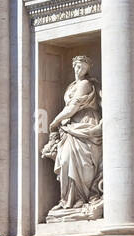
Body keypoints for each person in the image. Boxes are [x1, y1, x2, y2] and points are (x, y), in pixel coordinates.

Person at [42, 56, 103, 213]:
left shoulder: (85, 84)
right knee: (66, 160)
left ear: (87, 69)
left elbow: (72, 108)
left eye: (83, 67)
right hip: (71, 126)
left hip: (85, 122)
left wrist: (55, 122)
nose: (79, 70)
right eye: (77, 66)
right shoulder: (71, 86)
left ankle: (81, 198)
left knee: (82, 162)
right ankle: (69, 199)